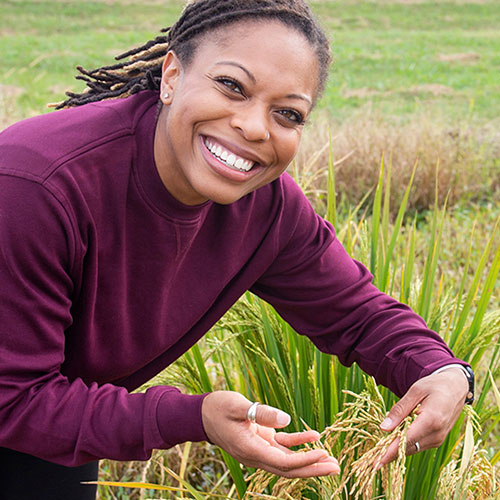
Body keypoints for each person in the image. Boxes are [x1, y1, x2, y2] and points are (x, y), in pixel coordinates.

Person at [0, 0, 473, 498]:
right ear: (171, 74)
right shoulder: (35, 188)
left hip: (45, 433)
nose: (254, 128)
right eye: (232, 87)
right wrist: (193, 416)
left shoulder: (265, 208)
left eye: (287, 113)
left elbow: (356, 313)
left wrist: (439, 369)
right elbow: (12, 398)